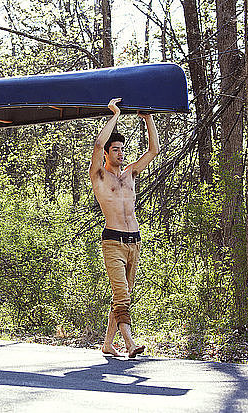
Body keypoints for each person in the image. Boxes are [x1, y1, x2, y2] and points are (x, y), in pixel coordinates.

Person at [88, 98, 159, 358]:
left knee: (123, 296)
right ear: (107, 154)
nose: (120, 153)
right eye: (115, 149)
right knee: (122, 296)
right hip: (113, 242)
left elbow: (153, 151)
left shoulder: (129, 174)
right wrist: (115, 114)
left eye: (122, 149)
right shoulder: (99, 177)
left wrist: (148, 118)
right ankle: (130, 344)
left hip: (134, 242)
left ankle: (107, 344)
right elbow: (97, 144)